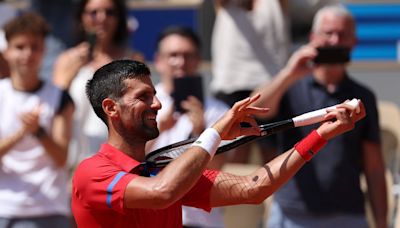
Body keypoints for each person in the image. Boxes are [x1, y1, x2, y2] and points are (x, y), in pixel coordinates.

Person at [71, 59, 365, 227]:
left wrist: (320, 135)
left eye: (155, 94)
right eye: (143, 97)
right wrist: (215, 132)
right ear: (111, 108)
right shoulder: (93, 173)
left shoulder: (163, 172)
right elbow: (162, 193)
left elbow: (254, 187)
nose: (158, 104)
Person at [251, 5, 387, 228]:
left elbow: (374, 166)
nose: (334, 41)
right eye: (328, 34)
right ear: (313, 38)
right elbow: (255, 111)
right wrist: (289, 73)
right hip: (291, 213)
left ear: (354, 42)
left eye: (342, 35)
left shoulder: (363, 97)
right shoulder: (290, 87)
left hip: (347, 215)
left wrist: (381, 222)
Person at [148, 26, 229, 227]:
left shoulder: (219, 111)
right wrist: (158, 130)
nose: (181, 62)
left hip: (200, 219)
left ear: (198, 60)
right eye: (173, 55)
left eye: (188, 55)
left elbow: (217, 169)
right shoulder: (144, 104)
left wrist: (203, 133)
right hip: (152, 216)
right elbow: (129, 162)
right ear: (158, 61)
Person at [0, 12, 74, 227]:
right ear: (7, 51)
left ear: (44, 51)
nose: (28, 54)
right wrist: (23, 132)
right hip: (4, 206)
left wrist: (38, 132)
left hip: (47, 208)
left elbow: (62, 157)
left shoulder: (59, 97)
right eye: (20, 47)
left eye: (35, 47)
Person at [52, 0, 144, 166]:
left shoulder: (132, 59)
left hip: (119, 162)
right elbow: (53, 108)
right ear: (82, 18)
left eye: (109, 12)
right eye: (93, 12)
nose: (101, 18)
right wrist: (68, 78)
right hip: (75, 160)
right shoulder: (67, 59)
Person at [211, 0, 291, 163]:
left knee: (274, 158)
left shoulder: (275, 3)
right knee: (232, 156)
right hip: (231, 85)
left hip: (269, 86)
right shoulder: (227, 4)